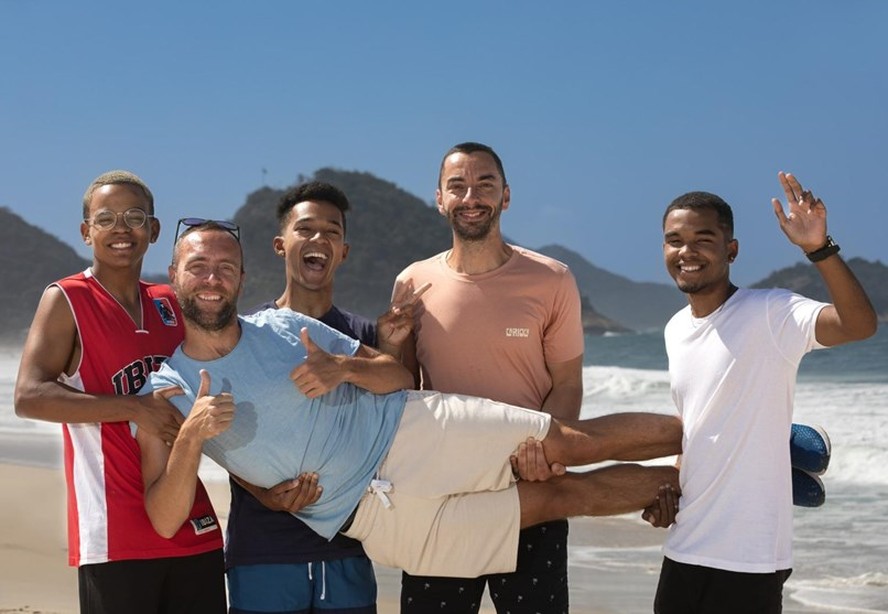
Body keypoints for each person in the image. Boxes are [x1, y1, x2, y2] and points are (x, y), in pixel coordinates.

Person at [139, 220, 684, 585]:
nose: (212, 279)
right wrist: (191, 436)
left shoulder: (282, 326)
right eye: (198, 267)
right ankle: (716, 482)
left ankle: (710, 434)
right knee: (558, 499)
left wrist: (343, 368)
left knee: (568, 442)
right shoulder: (166, 389)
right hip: (373, 520)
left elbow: (396, 376)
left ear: (241, 277)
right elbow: (164, 518)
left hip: (413, 431)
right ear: (174, 273)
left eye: (225, 268)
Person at [653, 172, 877, 613]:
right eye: (674, 240)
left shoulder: (771, 313)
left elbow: (859, 325)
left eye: (703, 238)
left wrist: (818, 248)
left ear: (731, 249)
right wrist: (671, 492)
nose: (687, 252)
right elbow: (695, 426)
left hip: (750, 556)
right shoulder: (675, 329)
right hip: (684, 544)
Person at [13, 171, 225, 613]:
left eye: (134, 216)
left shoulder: (171, 302)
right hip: (115, 535)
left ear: (154, 230)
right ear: (86, 231)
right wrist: (134, 408)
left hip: (193, 525)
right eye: (105, 218)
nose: (121, 228)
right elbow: (29, 396)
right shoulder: (67, 299)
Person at [388, 141, 585, 613]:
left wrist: (544, 451)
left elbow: (568, 383)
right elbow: (402, 386)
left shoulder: (552, 279)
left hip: (530, 489)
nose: (471, 196)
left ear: (506, 195)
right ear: (439, 199)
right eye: (457, 186)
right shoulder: (412, 282)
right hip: (440, 492)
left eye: (485, 184)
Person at [227, 182, 382, 614]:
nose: (319, 240)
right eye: (306, 229)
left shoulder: (364, 338)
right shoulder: (247, 333)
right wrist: (261, 494)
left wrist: (347, 366)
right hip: (263, 547)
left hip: (347, 546)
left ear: (344, 251)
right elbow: (222, 432)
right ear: (281, 244)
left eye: (331, 232)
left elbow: (399, 404)